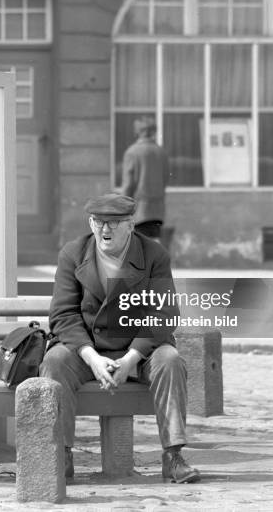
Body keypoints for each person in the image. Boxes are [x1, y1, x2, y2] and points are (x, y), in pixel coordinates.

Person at [39, 193, 200, 484]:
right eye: (99, 222)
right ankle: (60, 455)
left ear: (131, 224)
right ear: (90, 222)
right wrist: (90, 356)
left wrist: (131, 358)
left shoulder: (154, 255)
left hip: (138, 351)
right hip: (88, 351)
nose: (105, 230)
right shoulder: (72, 254)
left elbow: (164, 313)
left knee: (171, 360)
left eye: (114, 223)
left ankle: (173, 457)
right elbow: (63, 314)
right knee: (54, 361)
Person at [121, 116, 170, 241]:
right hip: (158, 211)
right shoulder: (161, 152)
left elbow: (128, 185)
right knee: (153, 249)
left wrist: (121, 208)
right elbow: (165, 180)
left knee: (139, 252)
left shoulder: (132, 152)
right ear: (153, 131)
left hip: (139, 212)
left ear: (137, 132)